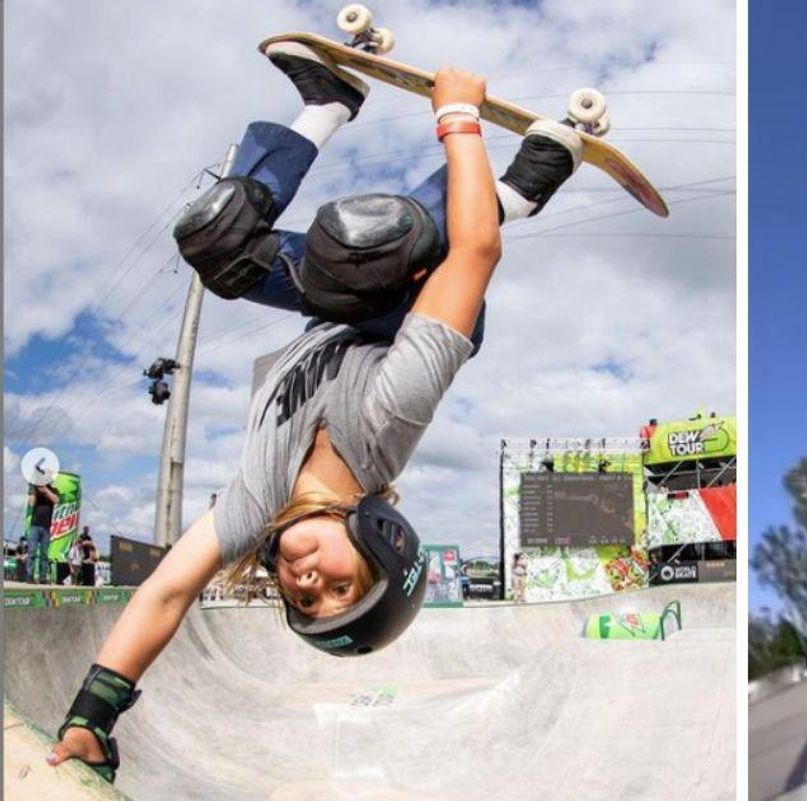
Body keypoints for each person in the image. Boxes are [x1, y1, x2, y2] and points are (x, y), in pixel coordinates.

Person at [48, 45, 584, 782]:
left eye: (304, 599)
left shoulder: (254, 507)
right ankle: (517, 190)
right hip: (417, 303)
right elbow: (473, 255)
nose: (308, 583)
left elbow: (166, 591)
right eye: (340, 583)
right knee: (360, 248)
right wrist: (459, 118)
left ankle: (329, 103)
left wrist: (91, 717)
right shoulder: (390, 418)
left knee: (215, 243)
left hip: (334, 306)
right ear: (377, 540)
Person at [27, 483, 59, 584]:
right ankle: (29, 576)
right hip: (35, 526)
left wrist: (46, 490)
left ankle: (42, 577)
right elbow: (31, 503)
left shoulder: (53, 490)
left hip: (46, 527)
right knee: (31, 551)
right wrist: (34, 491)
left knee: (44, 554)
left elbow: (56, 500)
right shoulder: (35, 489)